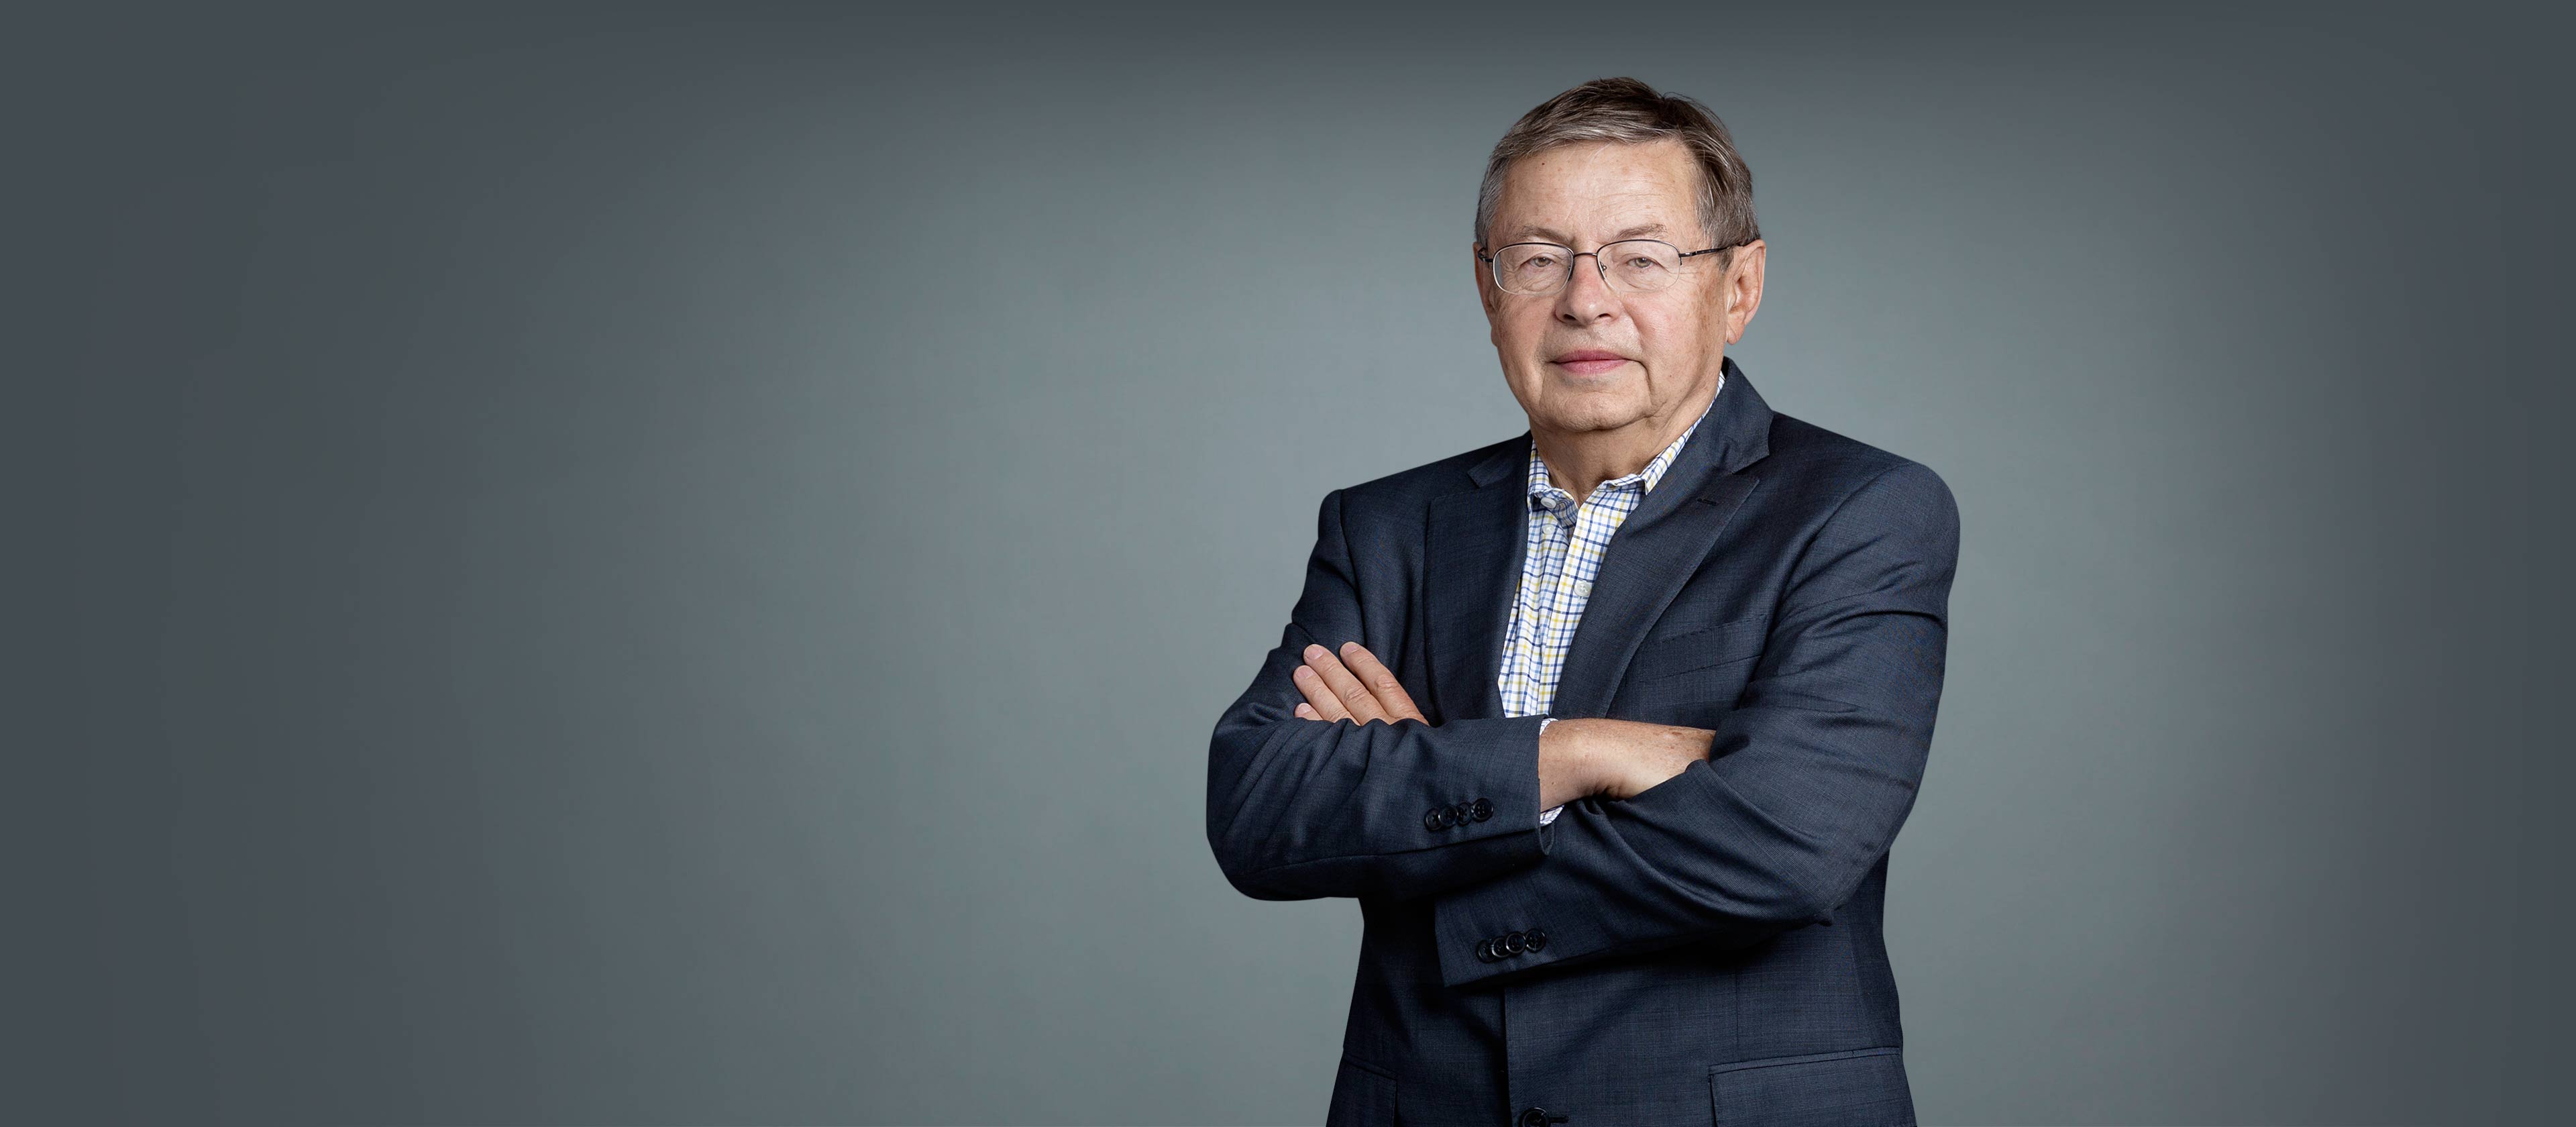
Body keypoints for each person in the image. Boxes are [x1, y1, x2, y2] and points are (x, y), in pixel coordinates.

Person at [1204, 76, 1960, 1126]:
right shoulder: (1385, 527)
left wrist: (1435, 801)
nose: (1584, 301)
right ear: (1488, 290)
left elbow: (1788, 848)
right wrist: (1580, 753)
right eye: (1538, 259)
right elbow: (1258, 812)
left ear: (1738, 288)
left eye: (1641, 259)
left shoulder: (1861, 511)